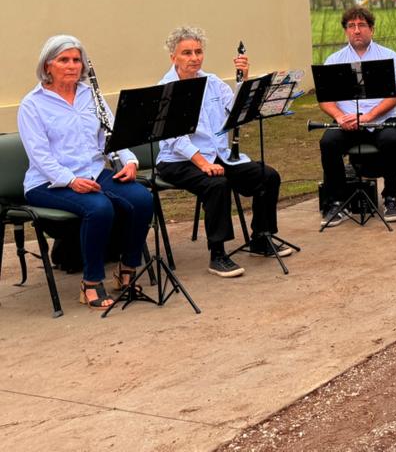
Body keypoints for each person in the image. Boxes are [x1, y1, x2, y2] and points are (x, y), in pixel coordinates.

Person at [18, 35, 154, 310]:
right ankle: (90, 283)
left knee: (142, 199)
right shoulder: (32, 105)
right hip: (48, 182)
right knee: (99, 207)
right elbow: (40, 156)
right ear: (47, 65)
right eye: (63, 60)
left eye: (76, 60)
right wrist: (71, 180)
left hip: (93, 171)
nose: (72, 65)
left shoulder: (91, 95)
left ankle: (127, 270)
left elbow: (112, 136)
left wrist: (129, 161)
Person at [155, 28, 287, 278]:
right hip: (177, 160)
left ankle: (261, 238)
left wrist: (244, 80)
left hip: (216, 155)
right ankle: (217, 255)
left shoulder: (212, 82)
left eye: (198, 52)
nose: (194, 58)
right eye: (187, 53)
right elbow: (175, 139)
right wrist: (202, 163)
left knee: (267, 176)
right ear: (173, 57)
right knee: (217, 184)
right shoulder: (166, 89)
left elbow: (235, 110)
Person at [317, 7, 396, 226]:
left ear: (371, 29)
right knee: (328, 142)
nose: (356, 30)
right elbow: (325, 99)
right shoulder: (334, 60)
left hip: (381, 120)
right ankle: (337, 201)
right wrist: (340, 117)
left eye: (362, 25)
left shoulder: (389, 56)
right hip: (347, 123)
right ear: (346, 31)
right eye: (351, 26)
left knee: (392, 140)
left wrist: (368, 116)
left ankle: (391, 197)